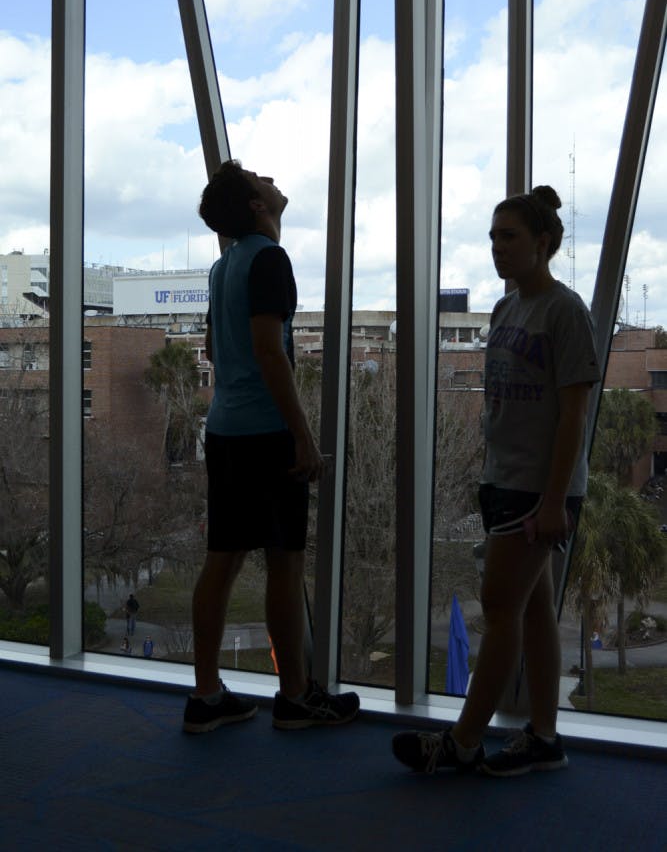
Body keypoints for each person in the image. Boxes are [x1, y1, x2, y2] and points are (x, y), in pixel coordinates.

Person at [393, 185, 600, 777]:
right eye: (492, 237)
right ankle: (544, 737)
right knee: (532, 610)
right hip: (503, 480)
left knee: (499, 605)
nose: (497, 248)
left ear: (543, 243)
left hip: (541, 488)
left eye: (509, 237)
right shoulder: (507, 310)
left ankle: (461, 742)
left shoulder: (566, 312)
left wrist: (557, 498)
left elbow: (573, 417)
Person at [182, 159, 360, 734]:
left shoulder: (221, 267)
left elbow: (212, 345)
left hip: (225, 430)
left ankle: (206, 695)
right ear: (258, 206)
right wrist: (303, 437)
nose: (273, 179)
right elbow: (269, 349)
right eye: (262, 179)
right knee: (284, 563)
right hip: (265, 433)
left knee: (223, 560)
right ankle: (295, 697)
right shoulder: (269, 259)